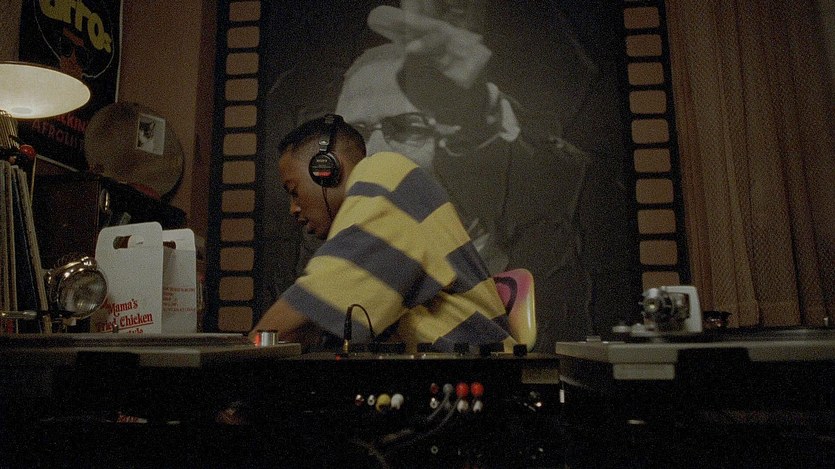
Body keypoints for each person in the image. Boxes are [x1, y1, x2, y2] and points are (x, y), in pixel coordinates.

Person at [250, 114, 514, 353]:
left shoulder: (386, 174)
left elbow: (301, 315)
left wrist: (247, 352)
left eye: (294, 191)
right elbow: (308, 327)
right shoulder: (370, 234)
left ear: (326, 171)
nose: (293, 209)